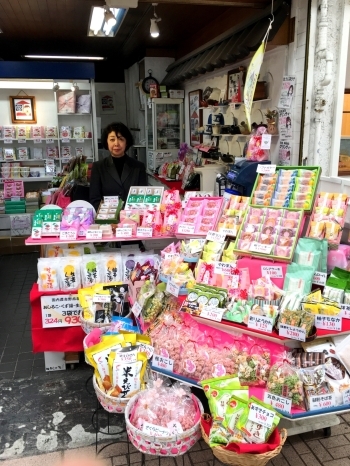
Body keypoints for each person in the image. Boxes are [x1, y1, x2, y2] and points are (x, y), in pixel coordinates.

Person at [90, 122, 147, 211]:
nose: (116, 143)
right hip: (107, 219)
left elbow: (143, 198)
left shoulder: (138, 167)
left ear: (126, 142)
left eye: (121, 139)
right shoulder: (98, 167)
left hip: (132, 218)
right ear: (106, 142)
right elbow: (94, 199)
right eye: (112, 140)